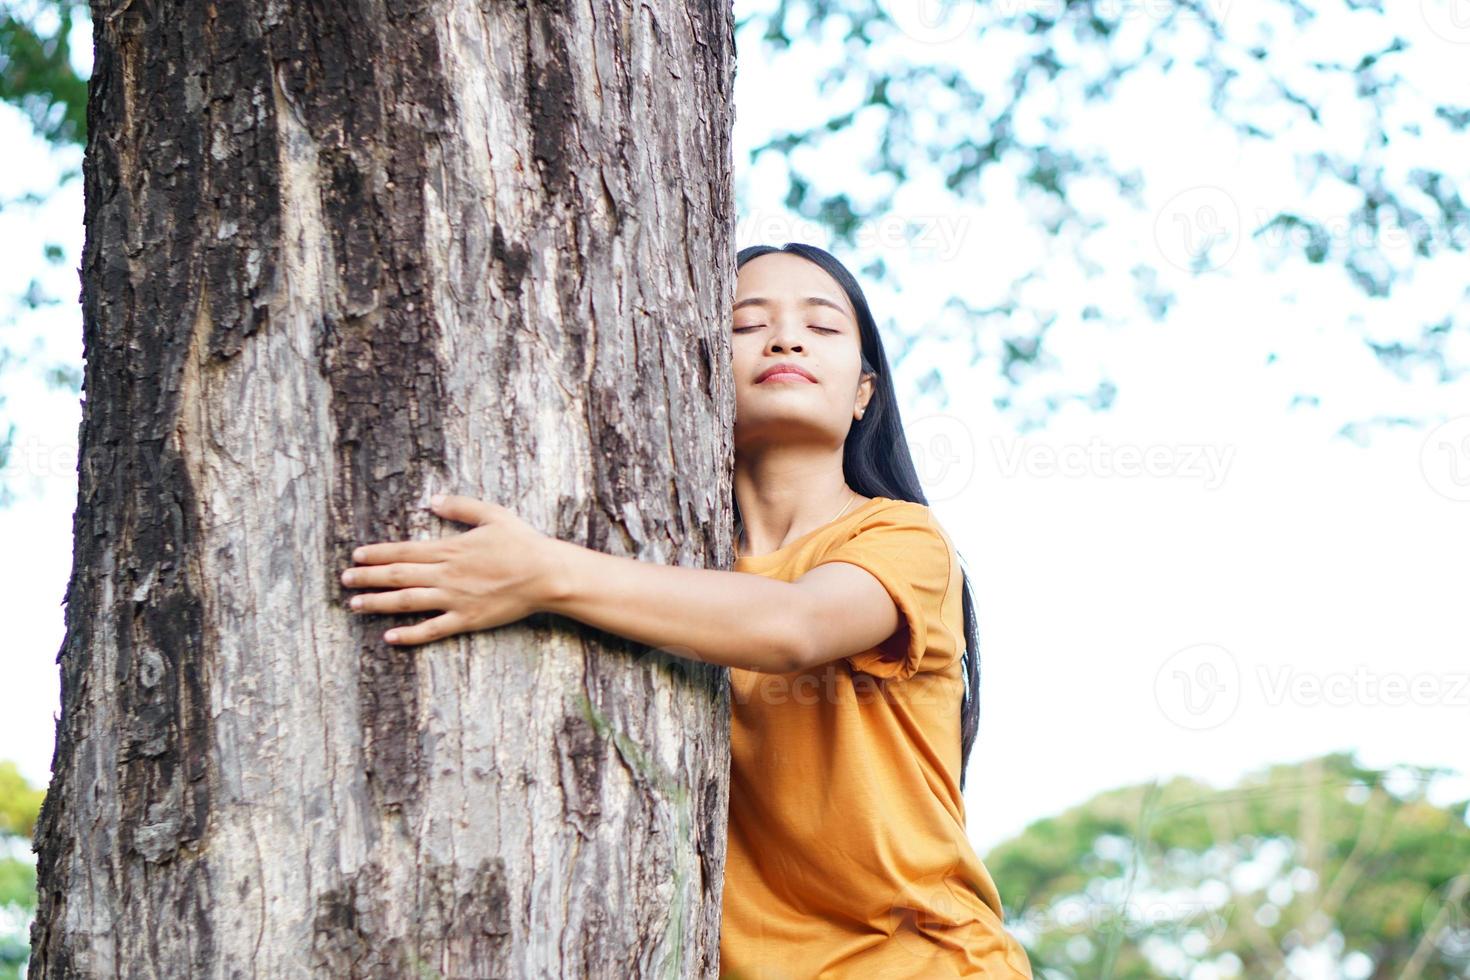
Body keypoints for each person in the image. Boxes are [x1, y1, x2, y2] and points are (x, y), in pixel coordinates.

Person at [338, 242, 1033, 977]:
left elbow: (792, 626)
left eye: (822, 327)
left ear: (864, 393)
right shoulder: (675, 567)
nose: (785, 338)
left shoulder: (901, 538)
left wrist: (542, 575)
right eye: (745, 324)